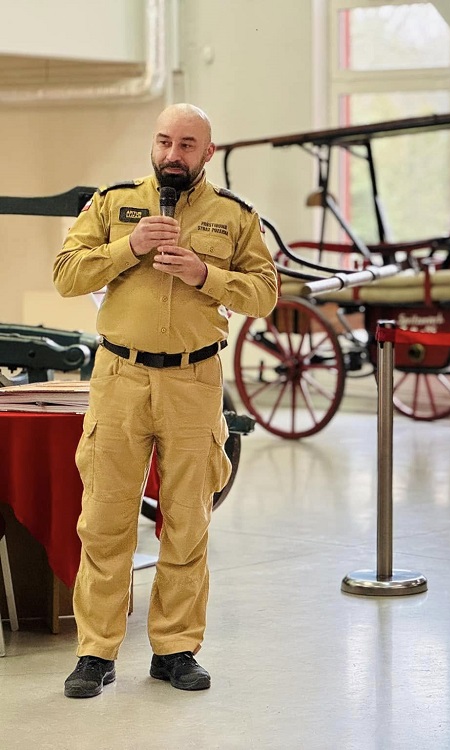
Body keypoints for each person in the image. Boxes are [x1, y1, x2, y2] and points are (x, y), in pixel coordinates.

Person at [53, 103, 278, 698]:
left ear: (208, 152)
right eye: (163, 142)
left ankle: (175, 649)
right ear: (153, 147)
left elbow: (264, 295)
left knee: (187, 520)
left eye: (186, 144)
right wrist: (128, 247)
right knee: (105, 521)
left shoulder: (235, 218)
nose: (172, 154)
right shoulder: (112, 204)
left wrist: (208, 277)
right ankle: (95, 653)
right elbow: (66, 274)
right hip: (119, 378)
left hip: (192, 381)